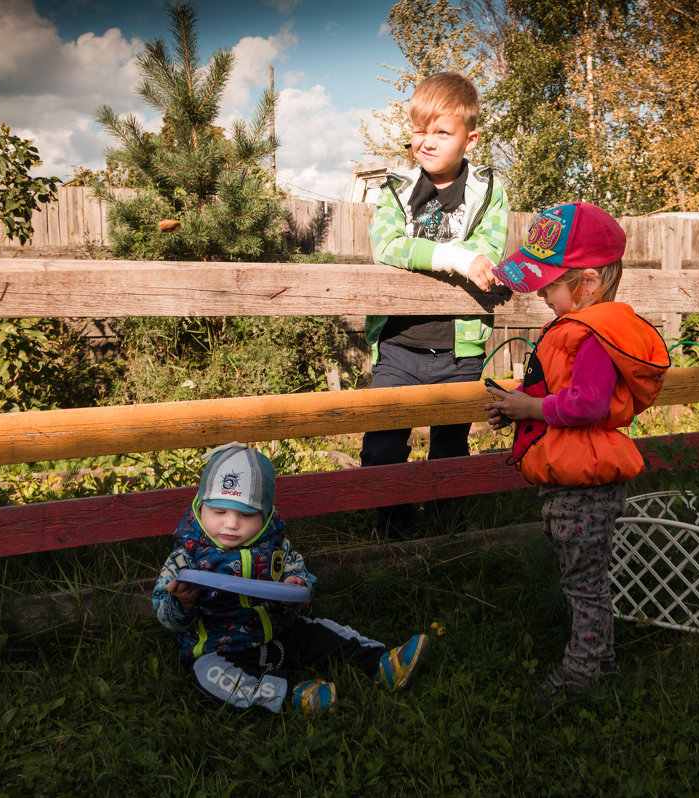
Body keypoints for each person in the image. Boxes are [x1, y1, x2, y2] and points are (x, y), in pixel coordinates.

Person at [485, 202, 671, 703]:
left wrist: (535, 406)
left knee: (584, 585)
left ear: (588, 283)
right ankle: (601, 659)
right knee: (584, 578)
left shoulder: (593, 337)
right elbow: (559, 397)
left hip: (584, 487)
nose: (543, 294)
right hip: (572, 480)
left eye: (550, 284)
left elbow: (586, 403)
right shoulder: (579, 330)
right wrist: (520, 409)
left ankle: (581, 675)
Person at [152, 442, 430, 717]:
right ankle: (294, 697)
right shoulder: (186, 556)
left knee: (322, 632)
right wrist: (182, 603)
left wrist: (295, 588)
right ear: (201, 508)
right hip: (223, 650)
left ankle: (381, 664)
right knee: (208, 674)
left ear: (266, 515)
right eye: (219, 511)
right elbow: (165, 614)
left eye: (246, 514)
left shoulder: (276, 548)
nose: (231, 523)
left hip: (282, 635)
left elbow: (301, 577)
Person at [362, 71, 510, 538]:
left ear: (471, 138)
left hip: (457, 348)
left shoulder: (488, 192)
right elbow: (388, 247)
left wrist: (468, 260)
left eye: (441, 132)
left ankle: (447, 536)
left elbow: (488, 249)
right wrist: (454, 257)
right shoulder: (395, 190)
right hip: (400, 345)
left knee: (450, 445)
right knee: (383, 446)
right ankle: (392, 535)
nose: (426, 142)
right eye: (419, 130)